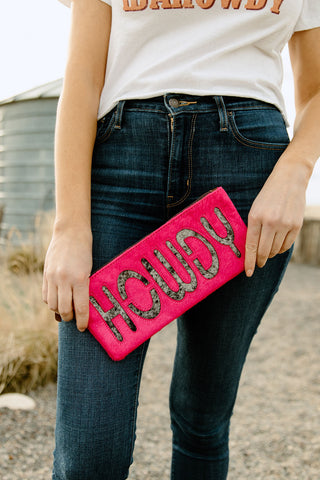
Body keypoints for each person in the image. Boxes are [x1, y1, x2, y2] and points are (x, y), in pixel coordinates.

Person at [42, 1, 320, 479]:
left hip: (250, 175)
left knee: (202, 418)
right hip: (119, 170)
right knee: (89, 455)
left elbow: (316, 88)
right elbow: (82, 78)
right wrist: (69, 226)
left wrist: (296, 172)